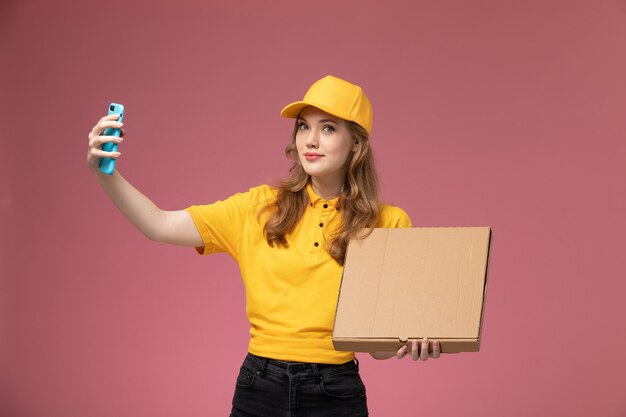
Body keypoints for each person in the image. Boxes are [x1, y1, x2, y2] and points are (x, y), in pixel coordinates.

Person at [87, 75, 441, 417]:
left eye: (328, 128)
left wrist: (408, 341)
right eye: (304, 126)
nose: (310, 140)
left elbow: (378, 349)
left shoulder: (388, 223)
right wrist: (106, 174)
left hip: (335, 390)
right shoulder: (260, 207)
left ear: (356, 144)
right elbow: (159, 224)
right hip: (260, 386)